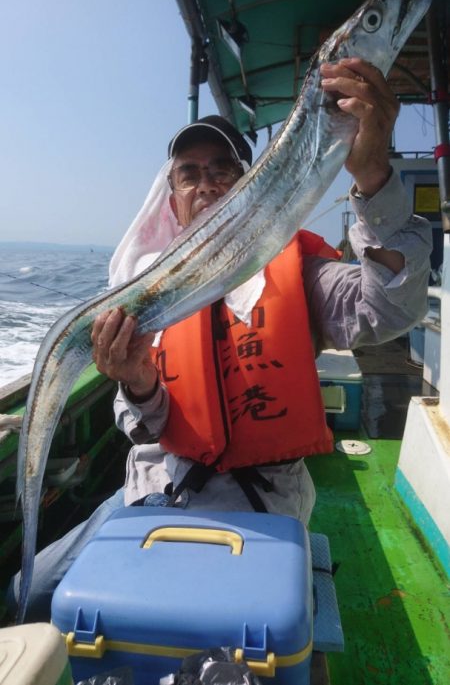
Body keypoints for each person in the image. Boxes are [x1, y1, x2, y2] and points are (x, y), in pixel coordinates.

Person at [7, 58, 432, 620]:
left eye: (222, 168)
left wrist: (374, 179)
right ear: (173, 197)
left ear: (250, 183)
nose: (205, 182)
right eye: (188, 173)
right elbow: (141, 425)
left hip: (259, 508)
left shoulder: (297, 270)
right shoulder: (147, 288)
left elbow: (389, 309)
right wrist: (137, 382)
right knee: (23, 597)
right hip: (152, 495)